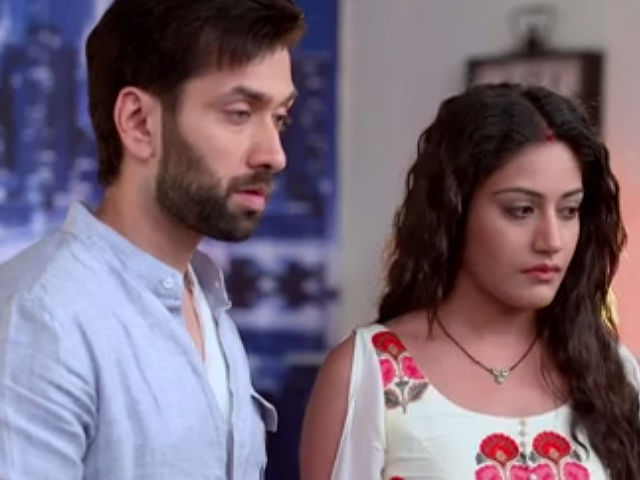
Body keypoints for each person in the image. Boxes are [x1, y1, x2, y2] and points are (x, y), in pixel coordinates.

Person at [0, 0, 305, 478]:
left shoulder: (207, 304)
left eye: (280, 117)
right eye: (240, 113)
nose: (274, 154)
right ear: (140, 122)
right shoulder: (41, 320)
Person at [300, 84, 640, 480]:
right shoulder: (367, 375)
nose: (552, 240)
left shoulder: (612, 370)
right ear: (454, 211)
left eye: (569, 210)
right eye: (521, 210)